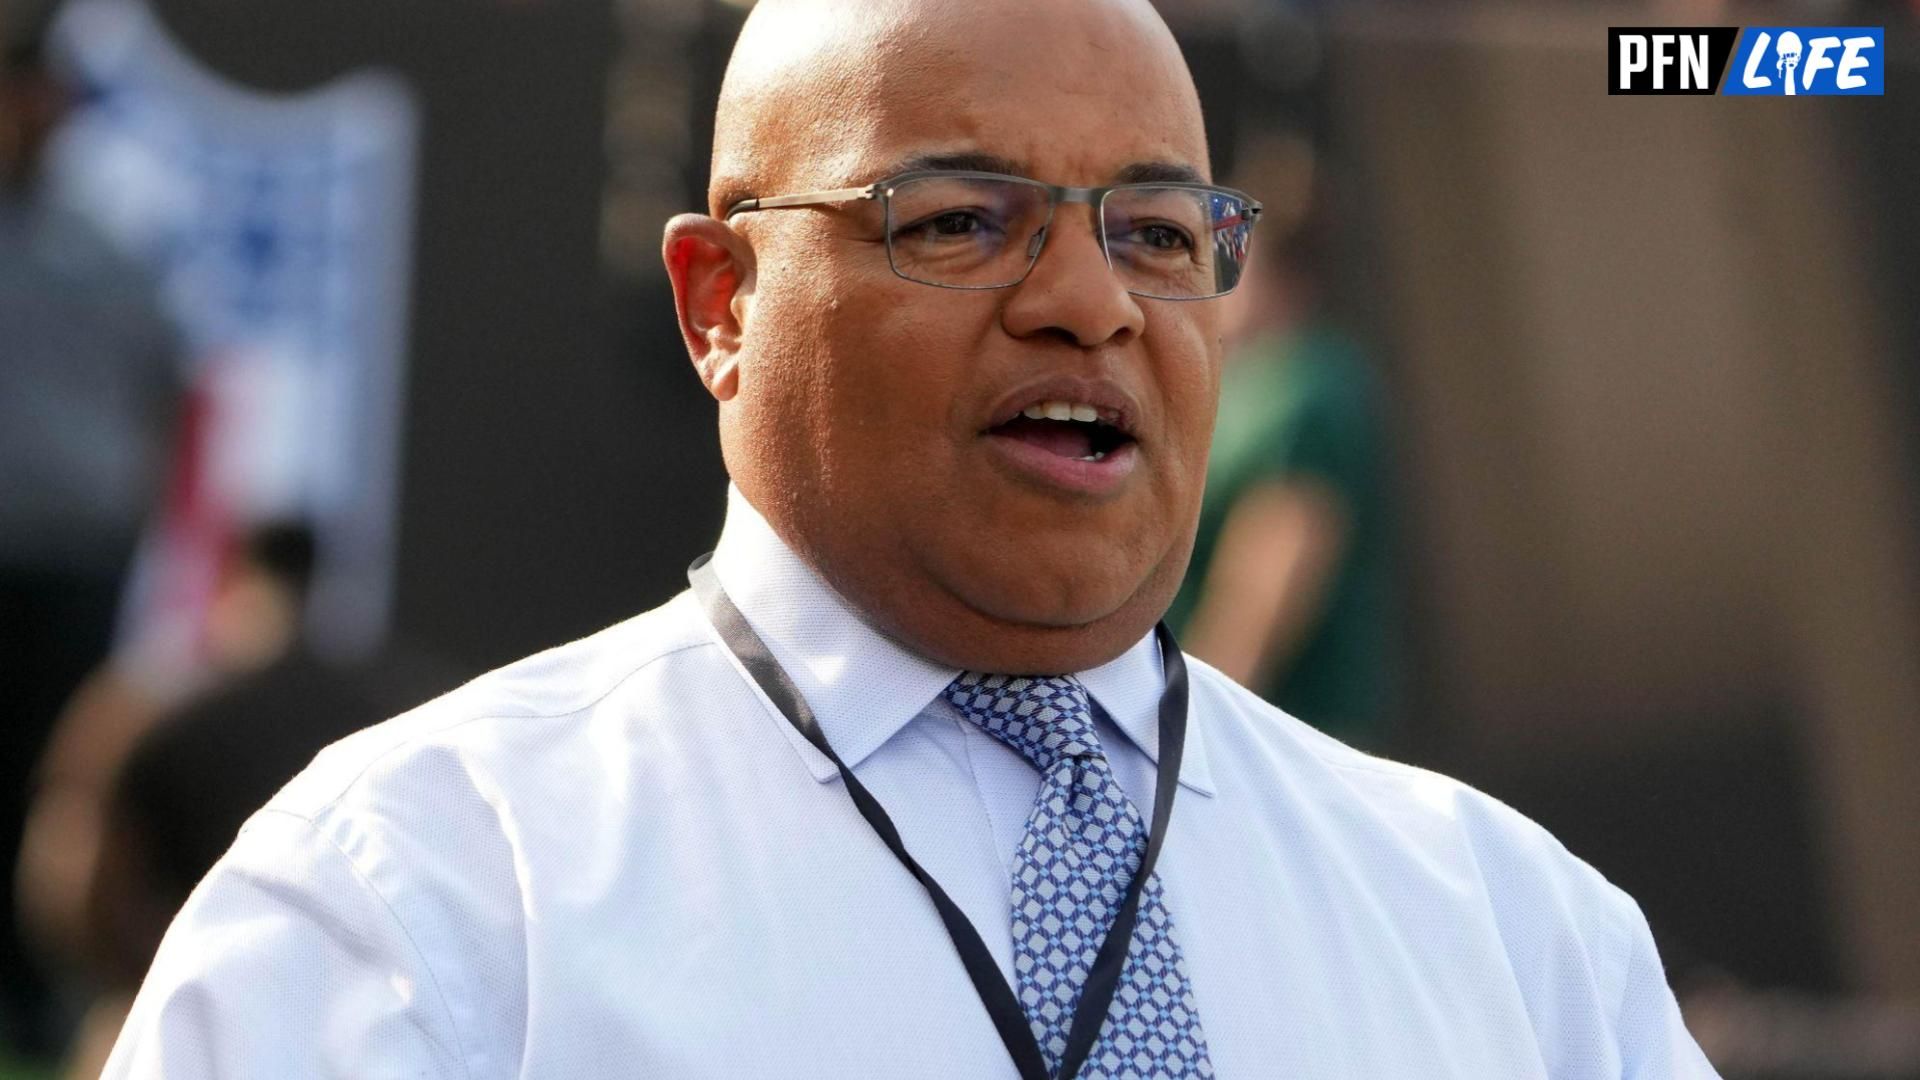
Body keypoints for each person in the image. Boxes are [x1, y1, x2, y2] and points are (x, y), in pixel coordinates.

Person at [103, 0, 1719, 1076]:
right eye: (956, 220)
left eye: (1159, 233)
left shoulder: (1518, 939)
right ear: (720, 304)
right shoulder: (427, 904)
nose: (1089, 304)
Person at [2, 0, 182, 1061]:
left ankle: (31, 991)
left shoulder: (105, 246)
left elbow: (165, 388)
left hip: (73, 559)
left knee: (51, 774)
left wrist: (129, 504)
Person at [1168, 173, 1398, 750]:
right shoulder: (1241, 386)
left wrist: (1194, 725)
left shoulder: (1305, 384)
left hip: (1291, 730)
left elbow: (1277, 562)